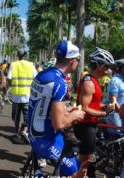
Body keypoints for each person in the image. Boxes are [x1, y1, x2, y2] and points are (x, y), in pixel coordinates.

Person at [28, 40, 85, 177]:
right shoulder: (60, 83)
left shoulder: (42, 74)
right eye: (78, 59)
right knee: (78, 172)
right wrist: (75, 115)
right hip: (46, 140)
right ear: (72, 61)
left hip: (33, 135)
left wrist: (66, 111)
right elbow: (58, 124)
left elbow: (44, 107)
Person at [74, 47, 115, 177]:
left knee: (89, 162)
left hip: (90, 125)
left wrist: (105, 106)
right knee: (83, 165)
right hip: (85, 126)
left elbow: (94, 103)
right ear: (98, 65)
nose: (107, 69)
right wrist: (104, 114)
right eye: (106, 66)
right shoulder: (89, 83)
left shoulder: (94, 81)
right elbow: (85, 107)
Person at [7, 49, 37, 144]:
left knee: (16, 116)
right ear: (25, 55)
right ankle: (24, 132)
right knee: (27, 116)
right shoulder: (31, 65)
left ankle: (16, 133)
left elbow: (9, 78)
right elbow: (36, 77)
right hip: (27, 95)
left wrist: (12, 86)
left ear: (18, 55)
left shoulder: (13, 64)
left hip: (16, 95)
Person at [103, 58, 124, 136]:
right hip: (114, 112)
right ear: (123, 69)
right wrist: (122, 112)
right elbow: (113, 100)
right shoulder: (115, 80)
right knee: (118, 135)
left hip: (122, 112)